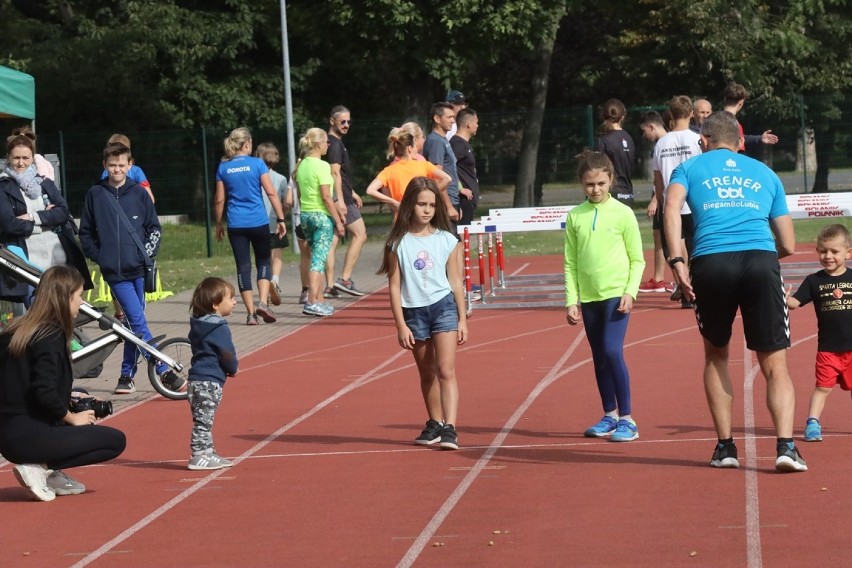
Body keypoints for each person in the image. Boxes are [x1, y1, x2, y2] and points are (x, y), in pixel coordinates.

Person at [664, 110, 807, 472]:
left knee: (716, 354)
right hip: (760, 259)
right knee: (774, 363)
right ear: (741, 142)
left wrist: (678, 262)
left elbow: (671, 207)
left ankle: (726, 447)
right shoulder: (765, 173)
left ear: (703, 140)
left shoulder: (689, 168)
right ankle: (786, 447)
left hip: (710, 261)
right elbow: (788, 243)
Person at [0, 265, 126, 501]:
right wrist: (72, 417)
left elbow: (24, 385)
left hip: (7, 434)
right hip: (29, 436)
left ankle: (48, 471)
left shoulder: (16, 329)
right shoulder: (50, 335)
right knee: (115, 441)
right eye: (79, 296)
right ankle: (40, 467)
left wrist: (75, 398)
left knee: (82, 408)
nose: (82, 303)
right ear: (65, 297)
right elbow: (43, 391)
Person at [79, 142, 184, 395]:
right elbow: (85, 233)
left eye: (121, 165)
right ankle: (162, 370)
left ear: (130, 165)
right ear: (105, 165)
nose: (117, 169)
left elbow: (154, 229)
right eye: (112, 165)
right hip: (115, 274)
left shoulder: (138, 193)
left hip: (139, 270)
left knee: (132, 324)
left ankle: (127, 374)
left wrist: (144, 254)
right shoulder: (95, 194)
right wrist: (101, 257)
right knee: (137, 320)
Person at [377, 176, 467, 450]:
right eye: (421, 204)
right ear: (410, 206)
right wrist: (400, 325)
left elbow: (455, 281)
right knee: (426, 373)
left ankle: (450, 428)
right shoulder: (398, 243)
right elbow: (394, 286)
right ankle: (435, 423)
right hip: (414, 312)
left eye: (431, 205)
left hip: (443, 308)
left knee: (445, 370)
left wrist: (462, 318)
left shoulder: (447, 240)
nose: (427, 210)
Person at [565, 151, 644, 442]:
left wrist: (630, 291)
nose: (595, 189)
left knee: (612, 350)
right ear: (581, 184)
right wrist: (571, 299)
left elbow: (637, 259)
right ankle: (609, 415)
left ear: (610, 179)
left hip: (615, 296)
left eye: (600, 183)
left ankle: (627, 419)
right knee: (599, 357)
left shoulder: (623, 214)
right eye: (589, 185)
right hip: (588, 299)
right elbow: (570, 262)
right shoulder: (575, 216)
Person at [0, 134, 93, 303]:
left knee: (64, 315)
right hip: (28, 265)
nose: (21, 163)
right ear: (8, 158)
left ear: (32, 158)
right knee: (40, 318)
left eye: (26, 158)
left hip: (58, 260)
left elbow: (63, 212)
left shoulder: (44, 183)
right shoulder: (3, 187)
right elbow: (10, 225)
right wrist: (46, 222)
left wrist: (32, 217)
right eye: (16, 158)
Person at [214, 127, 287, 325]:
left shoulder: (223, 167)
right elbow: (271, 193)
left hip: (236, 224)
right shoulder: (257, 164)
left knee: (243, 267)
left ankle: (250, 314)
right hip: (258, 222)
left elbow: (220, 200)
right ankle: (263, 302)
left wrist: (219, 223)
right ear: (246, 144)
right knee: (264, 261)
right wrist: (281, 219)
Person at [786, 224, 852, 443]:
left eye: (834, 251)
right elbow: (795, 303)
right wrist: (782, 298)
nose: (828, 256)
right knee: (822, 388)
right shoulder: (814, 281)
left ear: (848, 252)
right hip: (828, 349)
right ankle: (812, 422)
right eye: (823, 251)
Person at [653, 95, 702, 308]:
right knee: (696, 247)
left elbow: (658, 179)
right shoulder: (697, 140)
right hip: (693, 202)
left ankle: (684, 289)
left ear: (671, 115)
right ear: (691, 113)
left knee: (676, 246)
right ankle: (696, 287)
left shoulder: (661, 144)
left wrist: (662, 201)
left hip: (671, 204)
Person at [187, 277, 239, 470]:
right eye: (231, 298)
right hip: (207, 381)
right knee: (203, 421)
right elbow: (227, 352)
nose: (234, 302)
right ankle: (198, 454)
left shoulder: (199, 324)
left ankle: (207, 452)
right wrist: (233, 368)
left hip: (199, 380)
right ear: (216, 304)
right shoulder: (218, 327)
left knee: (204, 418)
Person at [295, 127, 346, 317]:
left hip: (306, 214)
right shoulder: (322, 166)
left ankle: (319, 300)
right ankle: (311, 301)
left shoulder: (301, 165)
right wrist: (338, 221)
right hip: (320, 216)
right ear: (318, 144)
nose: (328, 144)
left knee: (316, 256)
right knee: (318, 260)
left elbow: (300, 193)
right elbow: (326, 196)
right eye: (326, 141)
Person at [325, 105, 368, 298]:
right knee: (360, 234)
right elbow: (334, 172)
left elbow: (339, 174)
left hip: (343, 195)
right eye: (342, 121)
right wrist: (341, 200)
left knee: (331, 242)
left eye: (349, 122)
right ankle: (345, 279)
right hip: (341, 198)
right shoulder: (333, 144)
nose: (346, 125)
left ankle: (328, 285)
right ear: (332, 121)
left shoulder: (332, 143)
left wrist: (353, 192)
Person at [366, 130, 452, 216]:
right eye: (415, 146)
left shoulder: (388, 171)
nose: (417, 150)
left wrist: (393, 202)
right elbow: (447, 179)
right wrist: (430, 194)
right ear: (409, 148)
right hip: (422, 216)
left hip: (402, 216)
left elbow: (370, 190)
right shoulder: (424, 165)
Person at [254, 142, 290, 306]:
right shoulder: (281, 179)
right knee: (277, 254)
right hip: (276, 221)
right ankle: (274, 280)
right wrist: (282, 215)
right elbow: (286, 202)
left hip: (256, 222)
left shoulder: (254, 177)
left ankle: (265, 283)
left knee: (263, 257)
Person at [637, 111, 670, 293]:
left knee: (672, 240)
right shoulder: (659, 145)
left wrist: (655, 200)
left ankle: (683, 279)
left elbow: (663, 178)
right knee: (659, 236)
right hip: (661, 196)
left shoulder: (666, 144)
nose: (644, 136)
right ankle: (658, 278)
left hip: (668, 199)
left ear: (651, 127)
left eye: (644, 131)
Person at [423, 102, 463, 222]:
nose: (453, 121)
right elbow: (437, 178)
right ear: (437, 119)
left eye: (453, 117)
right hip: (445, 201)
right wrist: (449, 206)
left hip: (452, 198)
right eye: (449, 117)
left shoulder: (443, 140)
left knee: (457, 239)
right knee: (452, 240)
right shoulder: (436, 142)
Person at [594, 99, 636, 207]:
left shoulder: (603, 139)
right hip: (628, 193)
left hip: (610, 195)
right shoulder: (629, 138)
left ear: (603, 116)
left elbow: (597, 168)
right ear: (622, 117)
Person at [722, 83, 779, 151]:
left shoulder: (714, 120)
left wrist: (759, 138)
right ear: (741, 102)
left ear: (725, 99)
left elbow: (739, 138)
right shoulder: (734, 124)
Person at [449, 108, 481, 226]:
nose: (477, 125)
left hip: (469, 200)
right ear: (468, 124)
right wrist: (460, 188)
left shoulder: (463, 144)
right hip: (463, 200)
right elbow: (447, 167)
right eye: (476, 122)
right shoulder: (458, 144)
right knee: (462, 240)